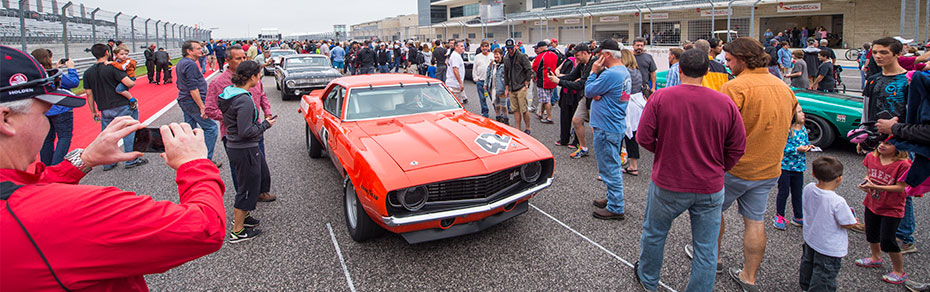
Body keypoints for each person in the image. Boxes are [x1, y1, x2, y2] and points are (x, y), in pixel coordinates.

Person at [0, 44, 226, 291]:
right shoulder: (74, 212)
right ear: (6, 119)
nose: (46, 125)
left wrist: (83, 161)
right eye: (44, 114)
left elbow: (17, 188)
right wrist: (194, 164)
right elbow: (205, 228)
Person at [684, 37, 798, 291]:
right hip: (769, 168)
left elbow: (715, 131)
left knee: (712, 213)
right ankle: (749, 276)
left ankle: (715, 260)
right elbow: (793, 120)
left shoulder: (735, 88)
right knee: (755, 221)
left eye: (730, 60)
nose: (727, 65)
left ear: (743, 60)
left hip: (734, 168)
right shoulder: (783, 87)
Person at [634, 48, 747, 292]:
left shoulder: (661, 98)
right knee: (706, 247)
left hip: (668, 181)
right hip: (710, 185)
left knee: (654, 233)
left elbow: (643, 137)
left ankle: (648, 279)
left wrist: (664, 152)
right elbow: (738, 146)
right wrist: (719, 167)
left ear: (679, 69)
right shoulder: (724, 102)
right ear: (707, 71)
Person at [205, 45, 276, 202]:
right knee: (240, 169)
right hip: (233, 134)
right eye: (238, 58)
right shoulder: (218, 83)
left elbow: (262, 95)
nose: (243, 61)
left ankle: (261, 191)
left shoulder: (254, 78)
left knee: (260, 163)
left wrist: (267, 111)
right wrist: (232, 117)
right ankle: (243, 198)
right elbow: (209, 110)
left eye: (244, 57)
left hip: (256, 129)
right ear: (228, 61)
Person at [218, 60, 277, 243]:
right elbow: (246, 131)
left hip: (235, 146)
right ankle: (237, 231)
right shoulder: (243, 100)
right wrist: (266, 125)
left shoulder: (229, 93)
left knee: (247, 185)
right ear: (252, 77)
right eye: (258, 75)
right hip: (245, 149)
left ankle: (244, 219)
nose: (260, 78)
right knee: (246, 188)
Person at [586, 39, 631, 221]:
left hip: (606, 126)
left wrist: (593, 73)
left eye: (599, 54)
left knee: (610, 167)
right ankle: (612, 197)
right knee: (610, 164)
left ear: (607, 55)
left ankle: (616, 206)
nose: (597, 58)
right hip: (613, 124)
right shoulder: (622, 71)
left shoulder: (611, 74)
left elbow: (589, 91)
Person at [854, 141, 911, 284]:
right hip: (872, 202)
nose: (882, 145)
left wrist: (878, 187)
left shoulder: (904, 164)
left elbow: (901, 188)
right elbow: (868, 175)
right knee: (871, 233)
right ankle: (875, 258)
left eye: (889, 144)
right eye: (881, 142)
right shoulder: (871, 157)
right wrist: (866, 184)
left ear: (899, 148)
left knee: (888, 240)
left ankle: (899, 271)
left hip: (892, 207)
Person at [798, 156, 858, 292]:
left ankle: (805, 286)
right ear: (839, 179)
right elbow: (847, 223)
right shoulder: (837, 201)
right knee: (824, 274)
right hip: (829, 245)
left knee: (808, 263)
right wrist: (854, 221)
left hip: (811, 237)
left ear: (813, 174)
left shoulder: (809, 188)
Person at [83, 44, 147, 171]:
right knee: (129, 132)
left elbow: (89, 94)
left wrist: (93, 111)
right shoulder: (113, 67)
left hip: (104, 108)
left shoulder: (88, 72)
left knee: (108, 135)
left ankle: (108, 162)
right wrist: (131, 81)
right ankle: (131, 160)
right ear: (107, 52)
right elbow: (129, 83)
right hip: (121, 104)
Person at [176, 40, 220, 166]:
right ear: (189, 51)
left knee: (190, 130)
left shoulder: (182, 63)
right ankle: (205, 160)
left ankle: (191, 158)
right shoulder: (190, 65)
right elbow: (193, 88)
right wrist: (202, 106)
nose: (201, 50)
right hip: (192, 100)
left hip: (184, 99)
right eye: (198, 48)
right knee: (211, 128)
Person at [552, 44, 596, 158]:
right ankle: (583, 148)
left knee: (596, 128)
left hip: (595, 97)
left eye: (577, 55)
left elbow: (581, 83)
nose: (576, 58)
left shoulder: (594, 64)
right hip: (585, 95)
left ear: (585, 53)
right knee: (576, 120)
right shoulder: (582, 64)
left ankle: (619, 150)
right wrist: (556, 78)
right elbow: (572, 76)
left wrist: (558, 81)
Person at [774, 105, 812, 230]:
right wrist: (796, 149)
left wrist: (808, 147)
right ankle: (779, 216)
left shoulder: (803, 129)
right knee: (783, 192)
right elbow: (781, 147)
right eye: (800, 112)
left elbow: (805, 142)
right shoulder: (786, 130)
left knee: (797, 192)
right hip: (785, 167)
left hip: (799, 167)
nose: (803, 114)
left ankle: (798, 216)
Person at [620, 49, 644, 177]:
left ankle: (616, 164)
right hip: (637, 103)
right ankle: (633, 165)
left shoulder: (624, 72)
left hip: (627, 104)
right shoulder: (637, 71)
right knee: (632, 136)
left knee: (621, 134)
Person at [503, 38, 534, 134]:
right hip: (512, 88)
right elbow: (506, 74)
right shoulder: (506, 58)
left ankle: (528, 128)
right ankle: (518, 128)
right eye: (508, 48)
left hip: (521, 86)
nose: (510, 50)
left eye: (511, 48)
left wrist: (527, 82)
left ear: (515, 46)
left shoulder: (521, 56)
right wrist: (507, 88)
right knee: (515, 109)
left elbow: (529, 69)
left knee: (524, 109)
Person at [532, 41, 558, 123]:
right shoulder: (554, 54)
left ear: (541, 48)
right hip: (552, 80)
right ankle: (541, 113)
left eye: (538, 48)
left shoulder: (540, 56)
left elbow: (534, 67)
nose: (537, 50)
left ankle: (549, 117)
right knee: (546, 99)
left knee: (546, 100)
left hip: (543, 81)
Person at [486, 48, 509, 124]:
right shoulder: (492, 64)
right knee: (496, 105)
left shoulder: (505, 65)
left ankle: (506, 120)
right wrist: (486, 84)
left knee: (503, 106)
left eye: (497, 54)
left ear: (501, 55)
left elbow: (508, 77)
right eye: (494, 55)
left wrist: (507, 89)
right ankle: (498, 118)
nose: (496, 56)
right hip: (493, 88)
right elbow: (488, 74)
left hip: (501, 88)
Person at [473, 41, 492, 117]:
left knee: (493, 98)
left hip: (490, 81)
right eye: (483, 47)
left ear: (488, 47)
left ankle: (498, 113)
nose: (484, 48)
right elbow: (474, 69)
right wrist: (476, 78)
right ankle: (485, 112)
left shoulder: (492, 55)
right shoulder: (477, 57)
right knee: (482, 98)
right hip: (480, 81)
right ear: (481, 48)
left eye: (486, 46)